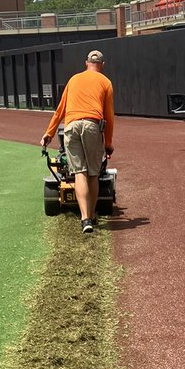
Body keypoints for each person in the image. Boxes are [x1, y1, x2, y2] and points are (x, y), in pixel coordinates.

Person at [40, 50, 114, 234]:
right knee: (93, 173)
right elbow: (109, 117)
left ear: (86, 63)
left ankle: (85, 219)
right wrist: (108, 143)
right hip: (91, 125)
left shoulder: (73, 80)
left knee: (79, 172)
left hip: (70, 126)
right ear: (102, 65)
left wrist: (48, 134)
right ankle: (92, 215)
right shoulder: (105, 82)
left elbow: (60, 110)